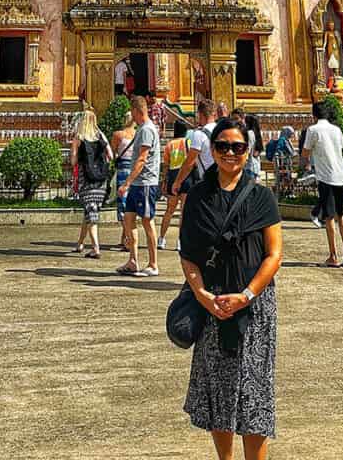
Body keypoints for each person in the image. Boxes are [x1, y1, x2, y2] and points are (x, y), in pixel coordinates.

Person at [179, 117, 283, 460]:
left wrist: (247, 294)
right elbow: (188, 255)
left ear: (247, 152)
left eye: (237, 147)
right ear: (212, 150)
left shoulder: (261, 197)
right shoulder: (198, 197)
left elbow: (274, 254)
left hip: (253, 308)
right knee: (219, 392)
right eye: (222, 146)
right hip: (213, 304)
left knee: (254, 396)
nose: (229, 153)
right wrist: (202, 296)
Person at [302, 100, 343, 267]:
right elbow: (341, 148)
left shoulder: (313, 129)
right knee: (341, 215)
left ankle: (333, 256)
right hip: (341, 176)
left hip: (326, 178)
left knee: (329, 217)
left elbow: (305, 152)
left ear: (314, 115)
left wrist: (306, 161)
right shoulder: (336, 129)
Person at [116, 95, 161, 276]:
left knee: (147, 222)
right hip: (137, 183)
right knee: (128, 218)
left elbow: (142, 159)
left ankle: (153, 263)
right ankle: (133, 260)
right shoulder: (142, 129)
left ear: (136, 111)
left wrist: (126, 183)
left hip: (145, 183)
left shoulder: (146, 130)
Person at [70, 109, 113, 259]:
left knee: (91, 213)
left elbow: (74, 161)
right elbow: (111, 155)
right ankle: (80, 243)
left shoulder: (79, 137)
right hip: (100, 179)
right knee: (90, 211)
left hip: (86, 178)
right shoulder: (100, 135)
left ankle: (96, 248)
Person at [171, 98, 215, 197]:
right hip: (224, 177)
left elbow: (190, 162)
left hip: (208, 179)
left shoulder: (199, 134)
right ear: (214, 114)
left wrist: (177, 182)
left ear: (200, 114)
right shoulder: (221, 129)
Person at [158, 118, 191, 249]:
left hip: (173, 175)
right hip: (186, 176)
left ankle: (161, 238)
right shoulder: (188, 142)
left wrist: (164, 180)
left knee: (169, 210)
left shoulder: (169, 145)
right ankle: (180, 241)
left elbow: (166, 165)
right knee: (183, 211)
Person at [111, 109, 137, 252]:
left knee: (123, 205)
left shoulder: (118, 135)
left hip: (123, 171)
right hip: (135, 172)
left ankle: (128, 239)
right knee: (130, 205)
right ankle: (125, 238)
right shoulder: (139, 135)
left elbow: (112, 153)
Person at [244, 114, 264, 181]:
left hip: (249, 167)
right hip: (255, 166)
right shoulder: (257, 134)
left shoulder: (249, 133)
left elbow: (248, 150)